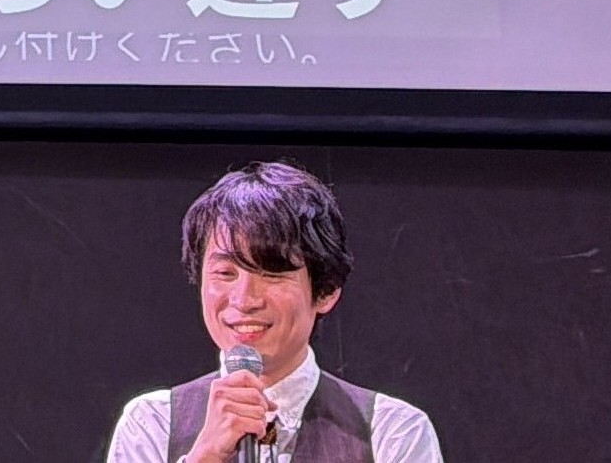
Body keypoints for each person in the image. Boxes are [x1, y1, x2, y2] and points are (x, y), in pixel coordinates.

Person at [105, 161, 442, 463]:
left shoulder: (392, 431)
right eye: (225, 273)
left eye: (271, 274)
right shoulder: (153, 424)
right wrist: (204, 457)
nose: (244, 300)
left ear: (325, 291)